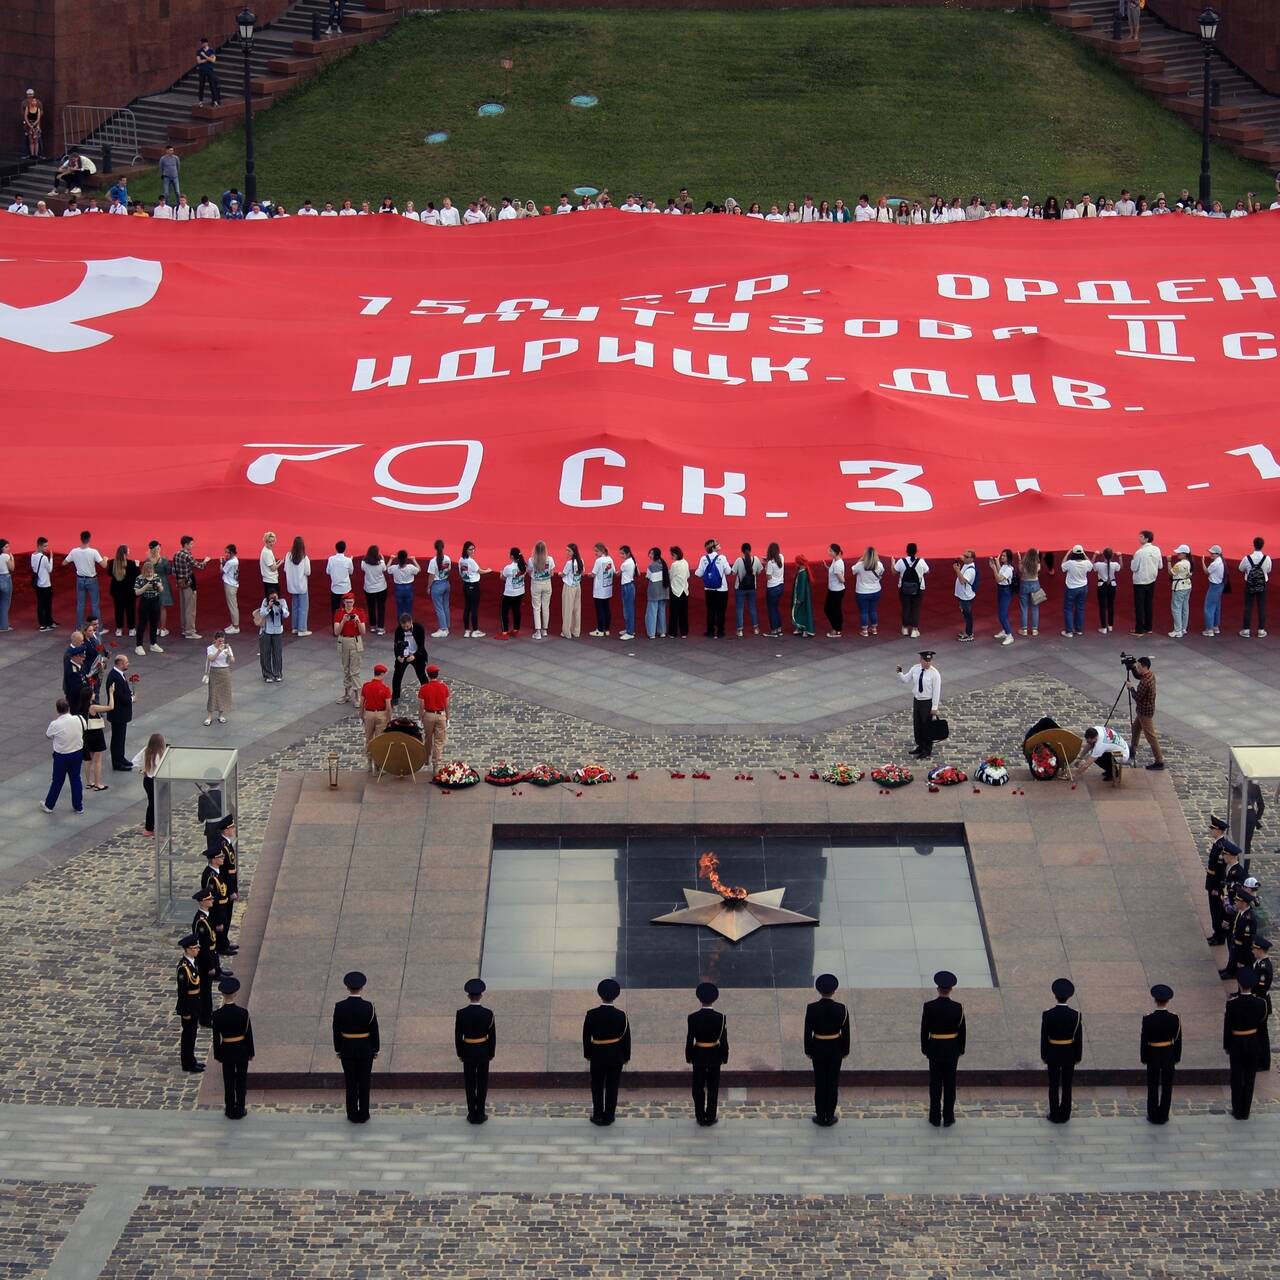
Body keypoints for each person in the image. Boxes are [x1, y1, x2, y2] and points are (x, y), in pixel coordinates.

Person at [920, 970, 966, 1127]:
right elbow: (962, 1031)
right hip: (951, 1049)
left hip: (935, 1048)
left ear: (938, 988)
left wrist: (926, 1048)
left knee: (935, 1084)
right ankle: (948, 1117)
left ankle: (934, 1117)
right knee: (950, 1084)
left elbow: (924, 1030)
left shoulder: (929, 1007)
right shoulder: (958, 1008)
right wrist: (960, 1049)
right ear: (951, 989)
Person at [803, 973, 849, 1126]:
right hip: (835, 1048)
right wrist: (845, 1050)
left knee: (820, 1082)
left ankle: (820, 1114)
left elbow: (807, 1032)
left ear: (819, 990)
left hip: (818, 1048)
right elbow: (846, 1033)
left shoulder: (812, 1008)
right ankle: (830, 1115)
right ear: (834, 990)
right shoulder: (842, 1009)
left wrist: (808, 1050)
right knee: (832, 1082)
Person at [582, 977, 630, 1125]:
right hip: (615, 1055)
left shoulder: (591, 1014)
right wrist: (626, 1056)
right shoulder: (621, 1015)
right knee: (612, 1086)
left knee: (596, 1085)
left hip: (597, 1054)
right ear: (616, 995)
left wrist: (588, 1054)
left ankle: (597, 1115)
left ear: (600, 994)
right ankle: (609, 1116)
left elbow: (585, 1037)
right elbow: (626, 1038)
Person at [334, 971, 380, 1123]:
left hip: (347, 1048)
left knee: (351, 1081)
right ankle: (364, 1113)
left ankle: (352, 1113)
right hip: (365, 1048)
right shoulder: (369, 1007)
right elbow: (374, 1030)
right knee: (364, 1082)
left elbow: (336, 1030)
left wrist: (338, 1049)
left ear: (347, 987)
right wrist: (375, 1048)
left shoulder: (340, 1007)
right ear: (362, 988)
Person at [1223, 969, 1269, 1119]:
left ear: (1239, 984)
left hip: (1237, 1042)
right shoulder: (1261, 1003)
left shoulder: (1232, 1004)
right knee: (1250, 1078)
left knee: (1236, 1077)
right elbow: (1262, 1027)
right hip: (1253, 1042)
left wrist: (1227, 1045)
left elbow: (1227, 1027)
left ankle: (1237, 1110)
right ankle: (1245, 1110)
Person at [1040, 978, 1083, 1124]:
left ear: (1055, 995)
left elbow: (1044, 1037)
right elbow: (1078, 1038)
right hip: (1069, 1053)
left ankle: (1054, 1114)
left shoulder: (1048, 1014)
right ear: (1069, 996)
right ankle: (1065, 1114)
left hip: (1052, 1052)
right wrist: (1078, 1056)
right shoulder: (1075, 1015)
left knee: (1053, 1085)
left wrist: (1044, 1055)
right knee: (1066, 1085)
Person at [686, 981, 729, 1126]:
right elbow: (723, 1040)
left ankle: (699, 1116)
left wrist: (689, 1056)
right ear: (714, 999)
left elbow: (689, 1039)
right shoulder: (720, 1017)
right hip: (714, 1055)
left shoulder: (692, 1017)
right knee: (713, 1088)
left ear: (699, 998)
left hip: (698, 1054)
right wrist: (724, 1057)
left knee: (697, 1087)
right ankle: (710, 1117)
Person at [211, 977, 254, 1119]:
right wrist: (251, 1052)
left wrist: (217, 1054)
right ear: (235, 994)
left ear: (223, 995)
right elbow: (248, 1034)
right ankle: (240, 1109)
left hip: (227, 1050)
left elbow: (216, 1038)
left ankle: (230, 1109)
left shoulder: (217, 1015)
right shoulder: (243, 1013)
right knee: (241, 1081)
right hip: (241, 1050)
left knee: (228, 1081)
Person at [455, 977, 496, 1124]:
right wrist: (491, 1053)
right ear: (481, 995)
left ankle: (472, 1113)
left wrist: (460, 1053)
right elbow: (492, 1036)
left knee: (470, 1083)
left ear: (468, 996)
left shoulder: (461, 1014)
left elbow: (458, 1036)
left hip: (468, 1051)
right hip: (483, 1051)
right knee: (482, 1083)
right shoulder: (488, 1014)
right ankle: (481, 1113)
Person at [1140, 984, 1181, 1124]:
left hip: (1153, 1054)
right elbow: (1177, 1040)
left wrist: (1144, 1057)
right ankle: (1163, 1115)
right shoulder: (1174, 1018)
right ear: (1167, 1001)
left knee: (1152, 1085)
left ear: (1155, 1000)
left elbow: (1144, 1040)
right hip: (1168, 1054)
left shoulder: (1148, 1019)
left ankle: (1152, 1114)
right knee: (1167, 1086)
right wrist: (1176, 1057)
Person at [41, 698, 84, 814]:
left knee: (58, 781)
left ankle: (49, 805)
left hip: (62, 756)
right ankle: (78, 806)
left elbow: (48, 735)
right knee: (75, 779)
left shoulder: (55, 724)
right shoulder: (78, 719)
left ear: (57, 710)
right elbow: (84, 728)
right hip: (77, 753)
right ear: (69, 708)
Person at [898, 651, 941, 759]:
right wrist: (899, 673)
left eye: (929, 661)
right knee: (917, 725)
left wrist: (934, 707)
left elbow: (936, 691)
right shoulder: (915, 669)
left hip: (927, 702)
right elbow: (905, 680)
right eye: (925, 661)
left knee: (926, 726)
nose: (928, 663)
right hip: (917, 700)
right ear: (921, 660)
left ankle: (927, 749)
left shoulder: (934, 673)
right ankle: (920, 746)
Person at [1128, 657, 1164, 771]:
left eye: (1138, 667)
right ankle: (1132, 749)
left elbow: (1138, 697)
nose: (1137, 668)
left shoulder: (1145, 682)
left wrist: (1131, 688)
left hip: (1144, 712)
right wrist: (1132, 668)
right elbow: (1138, 675)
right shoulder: (1150, 675)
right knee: (1135, 728)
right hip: (1146, 709)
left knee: (1151, 736)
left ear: (1144, 667)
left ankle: (1159, 761)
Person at [1204, 815, 1235, 946]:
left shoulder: (1221, 847)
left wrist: (1216, 888)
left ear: (1219, 831)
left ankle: (1219, 936)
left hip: (1215, 883)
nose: (1211, 831)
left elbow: (1220, 870)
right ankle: (1216, 933)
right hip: (1212, 881)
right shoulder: (1217, 844)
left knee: (1217, 910)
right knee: (1213, 909)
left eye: (1213, 829)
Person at [64, 531, 104, 631]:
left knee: (80, 605)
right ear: (89, 539)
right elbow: (104, 565)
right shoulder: (93, 552)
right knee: (95, 605)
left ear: (80, 539)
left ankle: (78, 628)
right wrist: (106, 559)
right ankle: (97, 628)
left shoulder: (74, 551)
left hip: (80, 579)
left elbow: (64, 562)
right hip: (92, 579)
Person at [175, 934, 204, 1073]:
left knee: (192, 1034)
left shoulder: (193, 962)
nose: (197, 949)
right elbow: (182, 992)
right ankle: (187, 1063)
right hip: (188, 1006)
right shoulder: (183, 968)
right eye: (194, 947)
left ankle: (191, 1060)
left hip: (195, 1003)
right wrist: (184, 1011)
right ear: (187, 950)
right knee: (188, 1035)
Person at [191, 887, 220, 1027]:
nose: (212, 900)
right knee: (205, 991)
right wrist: (210, 966)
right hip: (204, 961)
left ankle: (207, 1013)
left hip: (211, 955)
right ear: (203, 902)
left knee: (207, 990)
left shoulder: (206, 916)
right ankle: (205, 1018)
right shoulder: (201, 921)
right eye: (209, 899)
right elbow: (203, 946)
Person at [332, 593, 366, 705]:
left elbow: (363, 631)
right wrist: (343, 621)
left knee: (354, 670)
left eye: (351, 602)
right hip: (344, 641)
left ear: (354, 602)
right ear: (343, 602)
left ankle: (357, 696)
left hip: (355, 641)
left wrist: (357, 621)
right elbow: (336, 632)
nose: (349, 604)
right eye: (347, 602)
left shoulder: (359, 612)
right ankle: (347, 694)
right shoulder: (339, 613)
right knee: (346, 669)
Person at [103, 654, 135, 771]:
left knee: (121, 738)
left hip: (121, 713)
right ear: (120, 664)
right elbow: (118, 696)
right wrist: (131, 699)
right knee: (117, 738)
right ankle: (117, 763)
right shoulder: (114, 677)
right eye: (126, 662)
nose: (128, 664)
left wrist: (130, 694)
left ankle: (121, 758)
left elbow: (123, 690)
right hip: (118, 714)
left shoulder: (119, 674)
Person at [132, 732, 166, 835]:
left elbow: (134, 761)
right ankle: (154, 826)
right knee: (158, 803)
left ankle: (150, 827)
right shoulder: (162, 753)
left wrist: (141, 770)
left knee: (152, 803)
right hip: (158, 780)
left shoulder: (146, 750)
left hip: (147, 781)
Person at [697, 539, 732, 639]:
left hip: (708, 589)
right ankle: (720, 631)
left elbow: (699, 573)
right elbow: (728, 571)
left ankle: (710, 631)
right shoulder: (722, 558)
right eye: (717, 544)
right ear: (713, 547)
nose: (719, 545)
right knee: (721, 611)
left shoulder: (703, 558)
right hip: (722, 589)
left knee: (710, 610)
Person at [1129, 530, 1162, 637]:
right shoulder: (1157, 549)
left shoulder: (1139, 553)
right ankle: (1148, 627)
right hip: (1152, 580)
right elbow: (1160, 566)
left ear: (1146, 539)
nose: (1139, 538)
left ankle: (1139, 629)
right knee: (1148, 604)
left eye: (1141, 536)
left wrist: (1132, 561)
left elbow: (1134, 568)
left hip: (1140, 582)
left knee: (1139, 605)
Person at [417, 664, 449, 771]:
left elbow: (421, 706)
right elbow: (447, 705)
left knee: (428, 738)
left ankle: (426, 758)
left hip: (428, 715)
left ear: (428, 675)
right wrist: (448, 718)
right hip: (440, 715)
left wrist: (420, 718)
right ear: (437, 674)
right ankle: (436, 763)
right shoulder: (444, 687)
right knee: (439, 741)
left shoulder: (424, 688)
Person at [893, 544, 929, 638]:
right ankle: (914, 630)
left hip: (904, 588)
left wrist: (893, 563)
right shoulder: (921, 561)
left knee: (906, 608)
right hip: (918, 588)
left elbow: (894, 571)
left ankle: (904, 628)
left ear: (906, 551)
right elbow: (927, 571)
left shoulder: (901, 561)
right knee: (915, 609)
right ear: (916, 551)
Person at [79, 685, 109, 793]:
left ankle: (89, 782)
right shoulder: (93, 707)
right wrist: (111, 693)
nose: (94, 694)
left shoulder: (82, 707)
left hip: (87, 735)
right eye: (92, 693)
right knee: (98, 760)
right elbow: (111, 707)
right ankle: (97, 784)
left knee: (88, 759)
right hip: (96, 734)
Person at [1239, 536, 1270, 638]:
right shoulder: (1267, 558)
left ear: (1254, 545)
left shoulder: (1247, 558)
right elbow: (1268, 570)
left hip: (1250, 584)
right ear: (1262, 545)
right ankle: (1261, 630)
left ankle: (1246, 630)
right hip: (1262, 584)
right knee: (1262, 607)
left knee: (1248, 607)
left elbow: (1241, 568)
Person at [391, 613, 427, 702]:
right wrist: (398, 656)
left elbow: (421, 646)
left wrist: (414, 656)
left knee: (421, 675)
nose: (406, 628)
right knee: (397, 675)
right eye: (404, 627)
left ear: (411, 622)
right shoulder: (399, 630)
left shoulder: (419, 628)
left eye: (407, 626)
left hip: (417, 654)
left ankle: (427, 694)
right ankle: (395, 696)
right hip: (404, 654)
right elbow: (396, 645)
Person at [254, 591, 289, 683]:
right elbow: (262, 614)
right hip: (267, 630)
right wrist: (269, 607)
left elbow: (286, 615)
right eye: (271, 596)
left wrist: (281, 608)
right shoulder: (265, 602)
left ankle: (277, 674)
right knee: (265, 653)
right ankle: (267, 675)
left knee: (277, 653)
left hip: (277, 631)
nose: (273, 598)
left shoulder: (282, 602)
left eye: (275, 596)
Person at [359, 664, 392, 758]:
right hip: (381, 715)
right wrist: (389, 718)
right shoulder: (385, 688)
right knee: (379, 740)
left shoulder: (366, 686)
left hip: (368, 714)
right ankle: (378, 764)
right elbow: (388, 706)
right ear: (382, 674)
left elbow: (361, 703)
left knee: (369, 739)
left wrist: (361, 715)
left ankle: (369, 761)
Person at [1059, 545, 1092, 638]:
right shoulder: (1086, 563)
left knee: (1068, 609)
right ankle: (1079, 629)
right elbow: (1090, 564)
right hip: (1083, 587)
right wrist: (1084, 553)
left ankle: (1069, 631)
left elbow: (1062, 566)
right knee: (1080, 608)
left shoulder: (1070, 563)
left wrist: (1067, 553)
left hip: (1071, 588)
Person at [133, 558, 164, 654]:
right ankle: (138, 646)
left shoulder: (156, 577)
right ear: (144, 571)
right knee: (142, 624)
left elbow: (161, 590)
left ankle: (153, 643)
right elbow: (137, 592)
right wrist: (146, 586)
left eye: (151, 571)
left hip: (155, 601)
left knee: (154, 623)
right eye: (148, 572)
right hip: (145, 602)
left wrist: (159, 586)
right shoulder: (139, 578)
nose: (150, 573)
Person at [203, 631, 234, 726]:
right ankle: (209, 716)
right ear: (215, 640)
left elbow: (233, 660)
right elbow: (211, 659)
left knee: (224, 693)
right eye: (219, 641)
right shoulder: (210, 648)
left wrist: (229, 654)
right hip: (214, 672)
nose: (221, 642)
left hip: (225, 672)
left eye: (222, 640)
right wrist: (219, 651)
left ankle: (221, 715)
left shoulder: (227, 647)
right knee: (213, 694)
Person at [106, 545, 138, 637]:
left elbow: (109, 574)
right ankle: (131, 629)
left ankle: (119, 629)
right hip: (129, 592)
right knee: (130, 610)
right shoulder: (131, 563)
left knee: (118, 610)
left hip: (117, 591)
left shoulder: (113, 563)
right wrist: (137, 566)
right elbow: (136, 575)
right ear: (125, 553)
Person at [852, 547, 884, 637]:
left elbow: (853, 570)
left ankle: (865, 630)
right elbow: (881, 573)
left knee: (864, 611)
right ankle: (874, 629)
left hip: (862, 591)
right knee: (873, 610)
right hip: (876, 590)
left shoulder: (860, 565)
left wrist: (860, 559)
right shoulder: (879, 565)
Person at [283, 536, 312, 636]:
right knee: (303, 607)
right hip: (302, 585)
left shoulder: (288, 556)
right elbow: (308, 572)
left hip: (292, 585)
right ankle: (302, 629)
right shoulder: (304, 557)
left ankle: (294, 627)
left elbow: (285, 569)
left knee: (294, 606)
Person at [732, 543, 762, 637]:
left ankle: (740, 630)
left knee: (740, 608)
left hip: (740, 588)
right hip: (752, 587)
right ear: (750, 549)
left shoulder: (739, 560)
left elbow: (733, 573)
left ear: (742, 550)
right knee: (752, 607)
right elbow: (759, 571)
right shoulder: (756, 560)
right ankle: (756, 628)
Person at [426, 539, 453, 638]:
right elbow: (449, 570)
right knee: (445, 606)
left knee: (439, 608)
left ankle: (443, 628)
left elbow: (431, 576)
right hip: (446, 583)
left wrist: (429, 586)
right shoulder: (447, 558)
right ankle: (447, 626)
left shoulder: (433, 561)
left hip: (437, 585)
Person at [498, 547, 527, 638]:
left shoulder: (508, 567)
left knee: (504, 612)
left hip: (509, 593)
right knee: (516, 610)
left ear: (511, 556)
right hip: (520, 591)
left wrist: (501, 572)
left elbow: (502, 577)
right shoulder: (524, 566)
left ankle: (504, 632)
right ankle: (516, 629)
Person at [361, 545, 389, 635]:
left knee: (371, 607)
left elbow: (363, 569)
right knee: (381, 607)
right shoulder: (380, 563)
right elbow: (385, 569)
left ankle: (373, 626)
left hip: (369, 589)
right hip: (381, 588)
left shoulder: (364, 563)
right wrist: (382, 559)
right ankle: (380, 628)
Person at [990, 549, 1015, 645]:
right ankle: (1005, 630)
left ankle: (1009, 635)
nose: (1002, 557)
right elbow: (1000, 572)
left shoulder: (1009, 569)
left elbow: (999, 579)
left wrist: (993, 568)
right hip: (1001, 589)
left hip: (1005, 591)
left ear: (1008, 558)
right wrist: (996, 563)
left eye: (1004, 556)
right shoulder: (1005, 566)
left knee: (1002, 614)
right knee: (1001, 611)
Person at [589, 543, 615, 637]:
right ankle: (607, 629)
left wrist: (589, 575)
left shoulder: (599, 561)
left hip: (599, 589)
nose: (595, 553)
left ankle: (600, 629)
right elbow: (613, 571)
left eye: (596, 551)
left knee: (599, 609)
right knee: (606, 608)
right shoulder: (610, 559)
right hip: (607, 587)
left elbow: (593, 574)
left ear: (602, 551)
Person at [1166, 544, 1192, 638]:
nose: (1177, 554)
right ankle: (1183, 628)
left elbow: (1171, 572)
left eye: (1179, 552)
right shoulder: (1188, 562)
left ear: (1184, 554)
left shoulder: (1179, 564)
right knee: (1185, 607)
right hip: (1187, 585)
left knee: (1176, 608)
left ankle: (1178, 630)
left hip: (1179, 587)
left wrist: (1168, 562)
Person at [1094, 547, 1121, 634]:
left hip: (1102, 586)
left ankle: (1103, 627)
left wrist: (1094, 555)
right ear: (1112, 556)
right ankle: (1110, 626)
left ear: (1103, 555)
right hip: (1112, 585)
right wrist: (1120, 557)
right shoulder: (1115, 564)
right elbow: (1120, 567)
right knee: (1111, 606)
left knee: (1102, 607)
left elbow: (1091, 566)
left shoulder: (1098, 564)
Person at [31, 537, 55, 631]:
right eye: (45, 546)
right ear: (40, 546)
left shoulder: (33, 555)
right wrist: (51, 559)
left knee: (40, 604)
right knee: (47, 604)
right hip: (46, 584)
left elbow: (33, 568)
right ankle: (47, 623)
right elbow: (50, 569)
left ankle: (44, 623)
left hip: (38, 584)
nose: (46, 547)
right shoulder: (44, 557)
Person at [645, 548, 670, 639]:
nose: (650, 555)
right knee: (662, 612)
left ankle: (651, 633)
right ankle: (662, 631)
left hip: (654, 593)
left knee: (652, 613)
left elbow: (648, 577)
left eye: (651, 553)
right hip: (663, 592)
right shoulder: (664, 564)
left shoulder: (652, 566)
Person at [324, 541, 354, 618]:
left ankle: (336, 628)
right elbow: (351, 572)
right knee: (347, 609)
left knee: (335, 609)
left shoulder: (331, 559)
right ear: (345, 549)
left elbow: (327, 571)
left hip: (335, 588)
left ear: (336, 548)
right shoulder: (348, 560)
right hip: (345, 588)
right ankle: (346, 627)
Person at [560, 543, 583, 639]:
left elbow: (564, 574)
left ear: (573, 552)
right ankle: (576, 631)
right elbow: (582, 571)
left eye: (569, 550)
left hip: (569, 587)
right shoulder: (581, 561)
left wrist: (560, 574)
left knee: (567, 609)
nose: (567, 552)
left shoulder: (569, 563)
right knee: (577, 609)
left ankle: (566, 632)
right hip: (577, 586)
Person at [822, 543, 845, 638]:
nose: (829, 552)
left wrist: (840, 577)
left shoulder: (837, 564)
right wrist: (828, 568)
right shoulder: (835, 561)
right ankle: (836, 628)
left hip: (836, 590)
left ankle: (837, 629)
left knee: (831, 609)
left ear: (836, 552)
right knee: (833, 609)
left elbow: (842, 579)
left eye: (830, 551)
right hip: (833, 589)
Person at [953, 550, 977, 641]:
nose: (963, 557)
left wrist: (957, 570)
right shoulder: (967, 564)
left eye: (966, 557)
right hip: (962, 595)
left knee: (968, 615)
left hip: (966, 596)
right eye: (964, 555)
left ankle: (969, 634)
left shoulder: (970, 570)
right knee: (965, 614)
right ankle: (968, 632)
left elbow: (963, 581)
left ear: (971, 559)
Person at [1202, 544, 1225, 636]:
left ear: (1217, 554)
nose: (1211, 554)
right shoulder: (1221, 561)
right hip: (1220, 585)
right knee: (1216, 606)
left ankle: (1209, 629)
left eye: (1212, 553)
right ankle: (1215, 626)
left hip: (1214, 586)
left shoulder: (1215, 563)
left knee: (1209, 607)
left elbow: (1206, 571)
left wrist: (1203, 562)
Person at [763, 543, 786, 637]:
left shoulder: (770, 563)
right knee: (776, 607)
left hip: (772, 587)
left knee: (771, 609)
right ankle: (779, 628)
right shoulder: (781, 557)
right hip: (780, 586)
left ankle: (774, 630)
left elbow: (768, 577)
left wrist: (765, 565)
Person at [389, 550, 420, 620]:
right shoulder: (411, 567)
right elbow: (419, 569)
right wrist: (414, 560)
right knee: (409, 608)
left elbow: (387, 569)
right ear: (406, 559)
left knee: (400, 608)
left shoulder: (394, 567)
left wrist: (391, 559)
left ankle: (401, 625)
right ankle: (408, 625)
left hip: (398, 588)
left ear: (398, 559)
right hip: (408, 588)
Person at [1017, 548, 1042, 636]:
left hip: (1024, 584)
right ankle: (1034, 630)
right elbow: (1038, 568)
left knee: (1024, 607)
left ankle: (1024, 630)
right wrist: (1037, 556)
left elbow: (1020, 570)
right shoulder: (1037, 563)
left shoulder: (1023, 563)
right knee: (1035, 607)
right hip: (1035, 584)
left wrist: (1019, 559)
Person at [790, 554, 815, 637]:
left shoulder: (803, 573)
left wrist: (800, 598)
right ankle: (800, 627)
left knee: (803, 612)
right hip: (800, 596)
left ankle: (805, 629)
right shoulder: (801, 572)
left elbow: (802, 587)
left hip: (802, 597)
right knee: (800, 612)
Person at [667, 546, 689, 638]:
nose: (671, 557)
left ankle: (673, 632)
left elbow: (671, 576)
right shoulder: (685, 562)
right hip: (684, 590)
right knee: (684, 612)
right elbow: (688, 575)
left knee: (674, 613)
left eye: (672, 555)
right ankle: (684, 632)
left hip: (676, 591)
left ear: (675, 555)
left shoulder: (674, 565)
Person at [617, 545, 638, 641]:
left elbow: (618, 573)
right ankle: (629, 629)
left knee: (628, 610)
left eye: (622, 553)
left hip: (627, 587)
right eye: (620, 553)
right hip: (629, 586)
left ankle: (630, 632)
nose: (621, 555)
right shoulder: (631, 561)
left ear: (628, 553)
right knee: (627, 609)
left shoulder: (625, 564)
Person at [221, 545, 241, 634]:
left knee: (232, 606)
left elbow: (222, 570)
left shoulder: (231, 562)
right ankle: (233, 624)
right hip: (232, 583)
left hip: (230, 585)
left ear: (232, 553)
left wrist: (221, 562)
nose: (226, 554)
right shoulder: (235, 560)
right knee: (232, 605)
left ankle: (236, 626)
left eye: (227, 552)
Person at [196, 37, 221, 105]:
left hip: (210, 70)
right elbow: (198, 61)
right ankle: (200, 101)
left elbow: (213, 60)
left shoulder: (211, 50)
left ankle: (215, 100)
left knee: (212, 85)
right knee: (201, 86)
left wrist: (204, 56)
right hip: (202, 70)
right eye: (201, 43)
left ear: (206, 43)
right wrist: (208, 59)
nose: (202, 44)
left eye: (203, 43)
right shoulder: (199, 51)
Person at [21, 89, 43, 158]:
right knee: (27, 138)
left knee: (37, 139)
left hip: (36, 124)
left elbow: (41, 112)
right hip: (27, 124)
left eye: (31, 94)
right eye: (28, 94)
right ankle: (28, 154)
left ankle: (38, 154)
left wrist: (36, 122)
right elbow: (22, 113)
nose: (29, 96)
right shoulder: (24, 102)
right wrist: (28, 122)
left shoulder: (38, 102)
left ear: (33, 94)